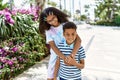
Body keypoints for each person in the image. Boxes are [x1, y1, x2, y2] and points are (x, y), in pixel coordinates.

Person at [39, 7, 81, 80]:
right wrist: (63, 57)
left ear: (57, 15)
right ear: (46, 22)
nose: (53, 21)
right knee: (51, 77)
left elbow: (78, 40)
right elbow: (53, 46)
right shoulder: (49, 30)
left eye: (53, 18)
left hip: (69, 55)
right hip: (56, 56)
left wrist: (72, 55)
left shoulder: (66, 25)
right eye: (49, 21)